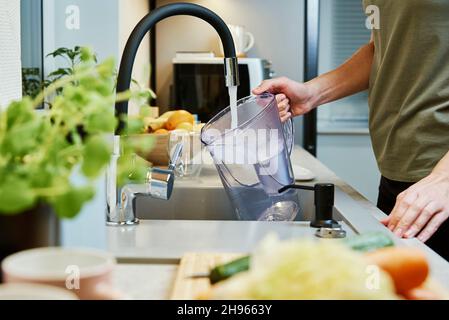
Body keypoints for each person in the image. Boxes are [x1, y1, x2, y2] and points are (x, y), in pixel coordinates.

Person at [253, 0, 449, 260]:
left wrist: (445, 179)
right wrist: (311, 93)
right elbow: (382, 49)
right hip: (400, 177)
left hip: (440, 186)